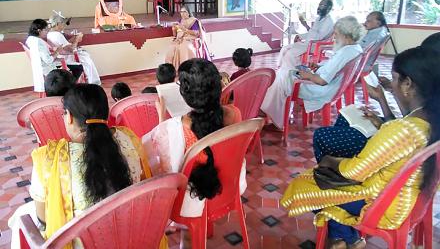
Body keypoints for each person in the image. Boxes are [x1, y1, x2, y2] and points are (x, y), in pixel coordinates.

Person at [281, 46, 440, 249]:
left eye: (394, 79)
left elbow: (354, 172)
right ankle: (344, 235)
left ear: (407, 84)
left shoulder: (401, 129)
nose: (391, 84)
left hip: (384, 205)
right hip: (408, 197)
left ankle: (345, 236)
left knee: (305, 183)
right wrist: (382, 99)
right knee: (334, 165)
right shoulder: (430, 120)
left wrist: (329, 161)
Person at [8, 84, 167, 249]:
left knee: (20, 218)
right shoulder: (129, 139)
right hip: (132, 238)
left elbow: (43, 219)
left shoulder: (49, 158)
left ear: (69, 116)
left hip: (84, 244)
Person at [313, 32, 440, 162]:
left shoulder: (421, 118)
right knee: (346, 118)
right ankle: (339, 155)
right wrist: (382, 99)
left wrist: (332, 164)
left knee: (322, 135)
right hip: (393, 135)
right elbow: (407, 117)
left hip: (388, 148)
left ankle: (334, 169)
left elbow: (401, 131)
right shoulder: (429, 97)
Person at [142, 59, 244, 219]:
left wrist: (161, 116)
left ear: (185, 94)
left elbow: (157, 160)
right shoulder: (234, 113)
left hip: (191, 199)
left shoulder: (175, 127)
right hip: (229, 185)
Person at [261, 16, 363, 129]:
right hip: (329, 86)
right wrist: (319, 66)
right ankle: (272, 113)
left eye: (336, 34)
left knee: (282, 76)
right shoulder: (355, 48)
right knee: (284, 74)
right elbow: (334, 68)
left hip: (319, 89)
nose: (334, 37)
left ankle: (274, 118)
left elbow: (322, 81)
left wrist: (308, 75)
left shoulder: (345, 53)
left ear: (346, 35)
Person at [277, 0, 334, 68]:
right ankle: (283, 69)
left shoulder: (328, 21)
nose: (319, 7)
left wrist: (306, 26)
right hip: (307, 43)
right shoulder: (318, 18)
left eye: (322, 5)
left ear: (329, 8)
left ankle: (291, 72)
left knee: (290, 54)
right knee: (284, 49)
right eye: (320, 4)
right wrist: (300, 36)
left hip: (315, 46)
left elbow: (319, 37)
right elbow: (311, 33)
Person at [47, 12, 101, 85]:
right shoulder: (57, 35)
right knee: (87, 60)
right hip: (67, 58)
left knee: (85, 55)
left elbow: (64, 44)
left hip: (61, 55)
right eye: (62, 23)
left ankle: (92, 82)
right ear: (57, 24)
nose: (64, 25)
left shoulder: (50, 34)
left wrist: (74, 38)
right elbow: (71, 49)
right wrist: (77, 40)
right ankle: (94, 83)